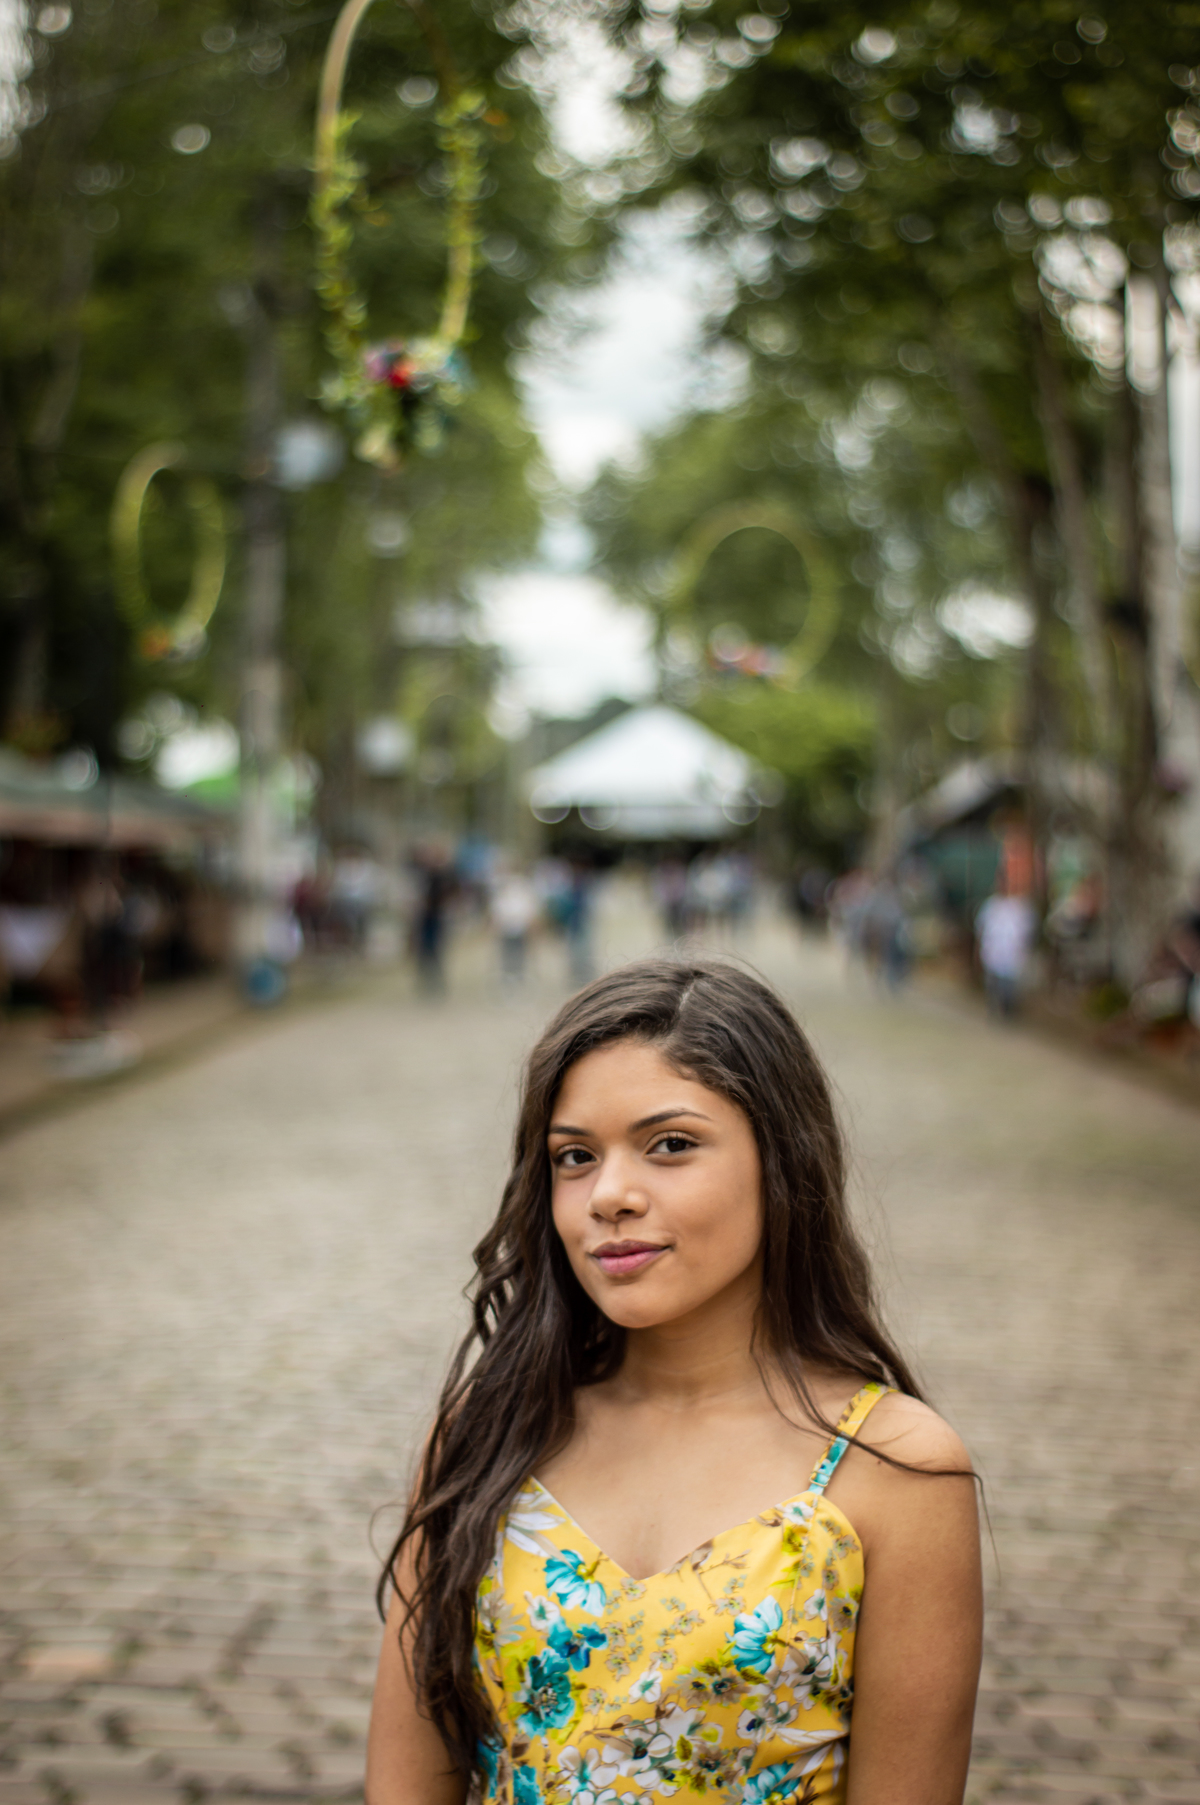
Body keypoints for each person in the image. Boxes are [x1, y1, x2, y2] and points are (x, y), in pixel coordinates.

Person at [366, 959, 982, 1805]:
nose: (610, 1194)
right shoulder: (489, 1432)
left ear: (782, 1160)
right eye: (574, 1156)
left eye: (671, 1145)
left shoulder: (896, 1468)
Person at [976, 876, 1037, 1019]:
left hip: (1013, 954)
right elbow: (982, 928)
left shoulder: (1022, 907)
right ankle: (995, 1009)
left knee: (1009, 986)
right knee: (993, 984)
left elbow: (1028, 933)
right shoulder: (991, 905)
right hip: (993, 952)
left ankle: (1008, 1011)